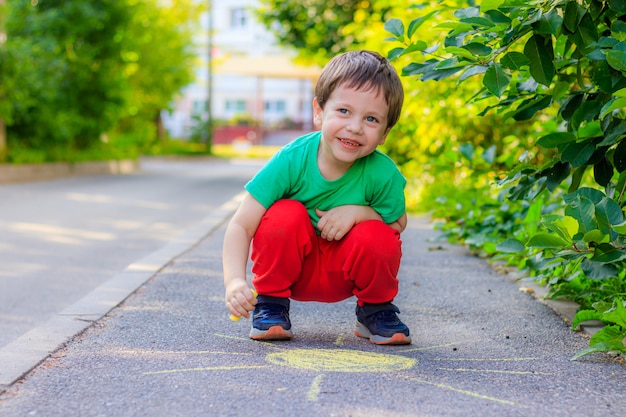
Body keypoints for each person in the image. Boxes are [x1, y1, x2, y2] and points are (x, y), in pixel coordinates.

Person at [222, 49, 411, 345]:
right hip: (294, 270)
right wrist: (234, 281)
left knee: (378, 233)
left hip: (344, 272)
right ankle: (271, 305)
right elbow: (241, 225)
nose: (355, 127)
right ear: (319, 111)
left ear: (385, 133)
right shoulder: (291, 160)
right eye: (344, 111)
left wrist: (360, 213)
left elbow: (398, 221)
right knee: (283, 213)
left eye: (371, 119)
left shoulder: (382, 173)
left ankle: (375, 310)